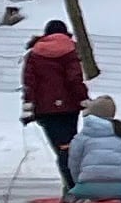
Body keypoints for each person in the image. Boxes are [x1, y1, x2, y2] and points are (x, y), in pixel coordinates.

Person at [21, 20, 89, 187]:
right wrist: (84, 100)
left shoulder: (34, 54)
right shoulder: (70, 51)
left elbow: (30, 82)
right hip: (69, 108)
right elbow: (75, 79)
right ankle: (75, 186)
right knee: (70, 147)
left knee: (60, 149)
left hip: (45, 109)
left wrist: (29, 107)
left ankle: (71, 186)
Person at [64, 95, 121, 202]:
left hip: (89, 187)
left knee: (68, 198)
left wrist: (79, 183)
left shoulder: (82, 136)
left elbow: (74, 163)